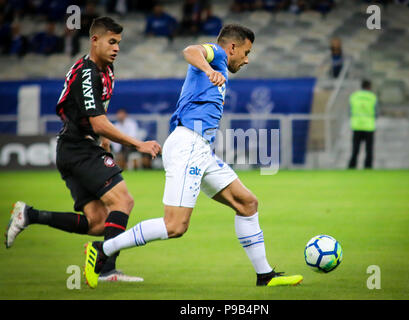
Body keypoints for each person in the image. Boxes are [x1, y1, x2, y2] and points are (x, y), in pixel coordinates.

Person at [83, 24, 303, 289]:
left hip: (201, 149)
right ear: (232, 47)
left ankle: (265, 276)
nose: (246, 59)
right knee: (175, 226)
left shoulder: (221, 66)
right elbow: (190, 50)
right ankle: (103, 248)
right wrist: (210, 70)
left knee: (247, 203)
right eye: (246, 52)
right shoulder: (218, 55)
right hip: (188, 144)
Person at [5, 17, 161, 283]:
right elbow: (98, 122)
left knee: (98, 223)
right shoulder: (87, 73)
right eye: (111, 42)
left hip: (74, 148)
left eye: (119, 43)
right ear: (95, 40)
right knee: (123, 201)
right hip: (78, 149)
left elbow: (99, 114)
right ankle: (107, 270)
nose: (116, 48)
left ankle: (29, 215)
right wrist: (138, 143)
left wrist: (105, 141)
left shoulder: (106, 70)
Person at [348, 79, 377, 169]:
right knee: (369, 149)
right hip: (369, 126)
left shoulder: (354, 96)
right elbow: (376, 112)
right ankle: (368, 166)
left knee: (355, 149)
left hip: (357, 125)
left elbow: (349, 111)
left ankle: (352, 166)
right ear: (369, 87)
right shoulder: (372, 97)